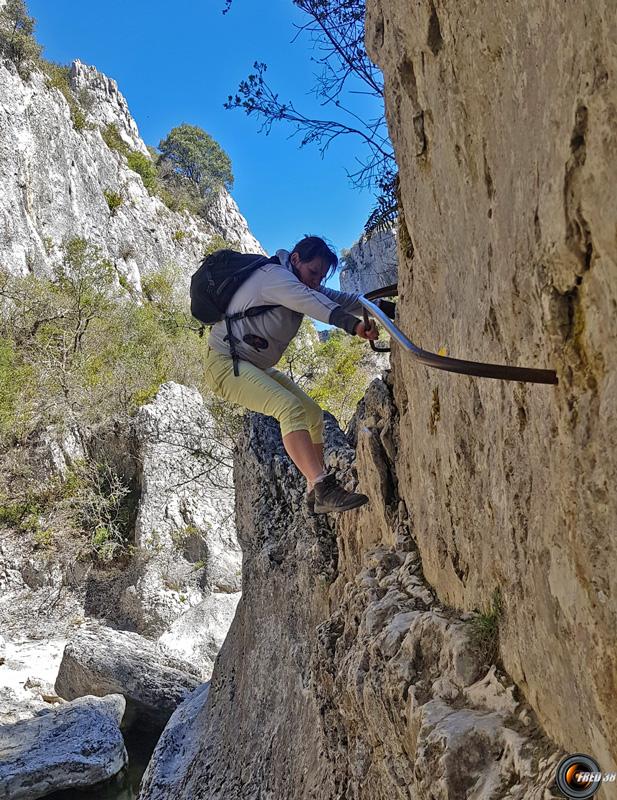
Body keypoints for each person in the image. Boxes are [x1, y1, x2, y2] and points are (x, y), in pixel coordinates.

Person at [202, 235, 392, 514]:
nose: (315, 281)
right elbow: (313, 303)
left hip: (252, 365)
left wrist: (390, 309)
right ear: (295, 259)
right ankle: (322, 485)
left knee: (312, 414)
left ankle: (315, 491)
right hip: (224, 365)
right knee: (288, 408)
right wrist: (352, 326)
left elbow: (342, 299)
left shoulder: (302, 283)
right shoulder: (275, 277)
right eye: (312, 272)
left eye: (320, 277)